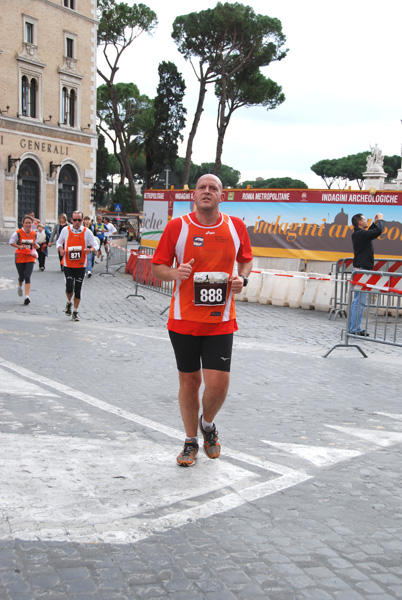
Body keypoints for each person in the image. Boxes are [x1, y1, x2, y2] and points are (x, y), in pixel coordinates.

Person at [151, 174, 253, 467]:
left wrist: (242, 279)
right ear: (193, 195)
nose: (207, 191)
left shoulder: (236, 227)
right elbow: (157, 266)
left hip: (220, 320)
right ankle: (189, 441)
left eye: (214, 188)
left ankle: (207, 425)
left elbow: (246, 258)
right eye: (202, 188)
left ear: (223, 195)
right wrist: (174, 274)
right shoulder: (177, 227)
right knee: (189, 382)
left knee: (218, 385)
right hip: (184, 320)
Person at [56, 210, 99, 321]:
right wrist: (60, 249)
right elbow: (59, 242)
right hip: (68, 264)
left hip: (81, 265)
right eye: (75, 220)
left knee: (78, 289)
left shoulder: (87, 232)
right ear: (71, 220)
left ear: (82, 220)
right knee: (69, 287)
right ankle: (69, 302)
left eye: (79, 220)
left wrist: (90, 249)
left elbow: (96, 245)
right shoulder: (66, 230)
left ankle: (75, 311)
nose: (77, 222)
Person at [349, 212, 384, 336]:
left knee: (359, 301)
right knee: (359, 301)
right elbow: (376, 232)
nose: (366, 221)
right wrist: (380, 221)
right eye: (364, 219)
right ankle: (354, 329)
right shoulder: (359, 234)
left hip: (363, 269)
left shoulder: (359, 234)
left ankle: (355, 328)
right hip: (362, 270)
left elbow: (369, 232)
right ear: (359, 222)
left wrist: (374, 224)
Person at [9, 214, 40, 305]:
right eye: (26, 223)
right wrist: (19, 246)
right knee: (21, 276)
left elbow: (35, 244)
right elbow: (11, 242)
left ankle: (27, 296)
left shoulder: (34, 234)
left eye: (29, 223)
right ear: (23, 224)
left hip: (30, 256)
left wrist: (36, 246)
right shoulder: (18, 233)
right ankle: (20, 286)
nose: (28, 224)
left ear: (32, 223)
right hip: (20, 256)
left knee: (27, 276)